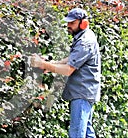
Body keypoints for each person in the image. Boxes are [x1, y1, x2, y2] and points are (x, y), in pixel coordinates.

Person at [31, 8, 101, 138]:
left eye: (72, 23)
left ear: (83, 23)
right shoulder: (83, 36)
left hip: (82, 92)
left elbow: (69, 69)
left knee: (77, 134)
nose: (68, 26)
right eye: (68, 23)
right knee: (87, 133)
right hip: (85, 91)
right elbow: (71, 59)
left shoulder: (85, 42)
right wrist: (51, 65)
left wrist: (42, 64)